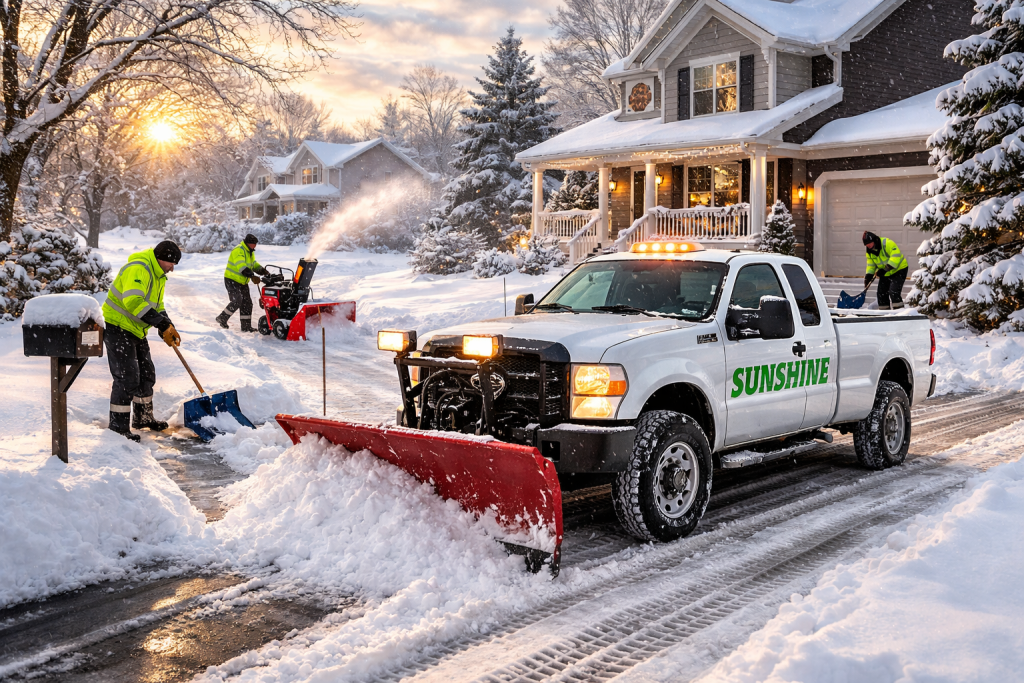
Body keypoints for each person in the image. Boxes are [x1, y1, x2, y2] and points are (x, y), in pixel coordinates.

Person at [102, 240, 182, 442]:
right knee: (126, 378)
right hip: (118, 327)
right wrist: (159, 323)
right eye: (171, 264)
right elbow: (133, 301)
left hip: (136, 329)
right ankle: (118, 428)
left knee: (146, 375)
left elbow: (157, 304)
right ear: (161, 258)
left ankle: (143, 419)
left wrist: (167, 324)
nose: (171, 269)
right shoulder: (140, 268)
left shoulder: (158, 275)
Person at [216, 233, 268, 332]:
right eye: (254, 244)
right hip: (232, 279)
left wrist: (263, 271)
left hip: (243, 281)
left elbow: (253, 264)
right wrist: (252, 276)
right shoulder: (239, 250)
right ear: (248, 243)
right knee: (237, 300)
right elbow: (242, 267)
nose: (255, 247)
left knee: (247, 303)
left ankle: (246, 326)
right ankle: (222, 318)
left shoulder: (250, 251)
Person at [862, 231, 909, 310]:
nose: (868, 246)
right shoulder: (869, 252)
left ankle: (899, 313)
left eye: (869, 243)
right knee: (881, 293)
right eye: (866, 245)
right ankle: (884, 314)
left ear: (875, 240)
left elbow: (896, 256)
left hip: (899, 269)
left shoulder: (887, 243)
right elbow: (871, 265)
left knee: (893, 291)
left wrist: (886, 268)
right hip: (885, 272)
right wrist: (868, 276)